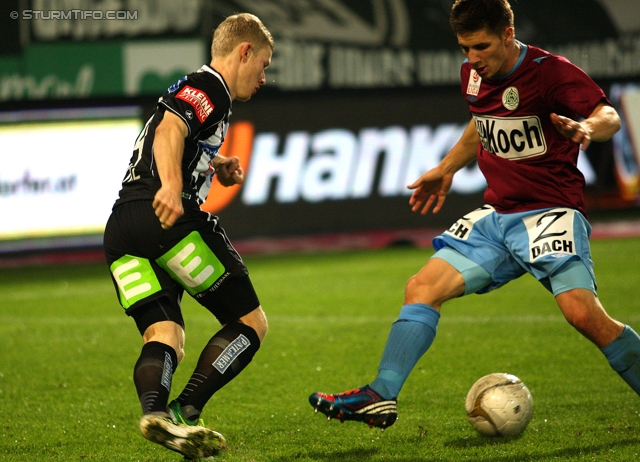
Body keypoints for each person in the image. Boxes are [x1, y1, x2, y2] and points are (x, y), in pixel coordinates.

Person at [309, 0, 640, 430]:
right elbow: (479, 123)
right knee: (421, 287)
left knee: (582, 315)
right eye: (465, 48)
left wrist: (588, 129)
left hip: (549, 213)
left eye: (481, 46)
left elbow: (608, 114)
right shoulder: (472, 75)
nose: (472, 58)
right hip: (498, 216)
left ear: (507, 33)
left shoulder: (548, 71)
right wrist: (445, 168)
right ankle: (381, 396)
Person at [103, 13, 274, 459]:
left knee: (165, 333)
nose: (264, 76)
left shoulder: (194, 88)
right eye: (265, 64)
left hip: (122, 230)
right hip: (165, 221)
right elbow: (169, 129)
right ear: (245, 51)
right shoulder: (211, 85)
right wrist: (173, 188)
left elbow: (177, 133)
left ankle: (157, 415)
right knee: (249, 324)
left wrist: (215, 163)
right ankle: (187, 410)